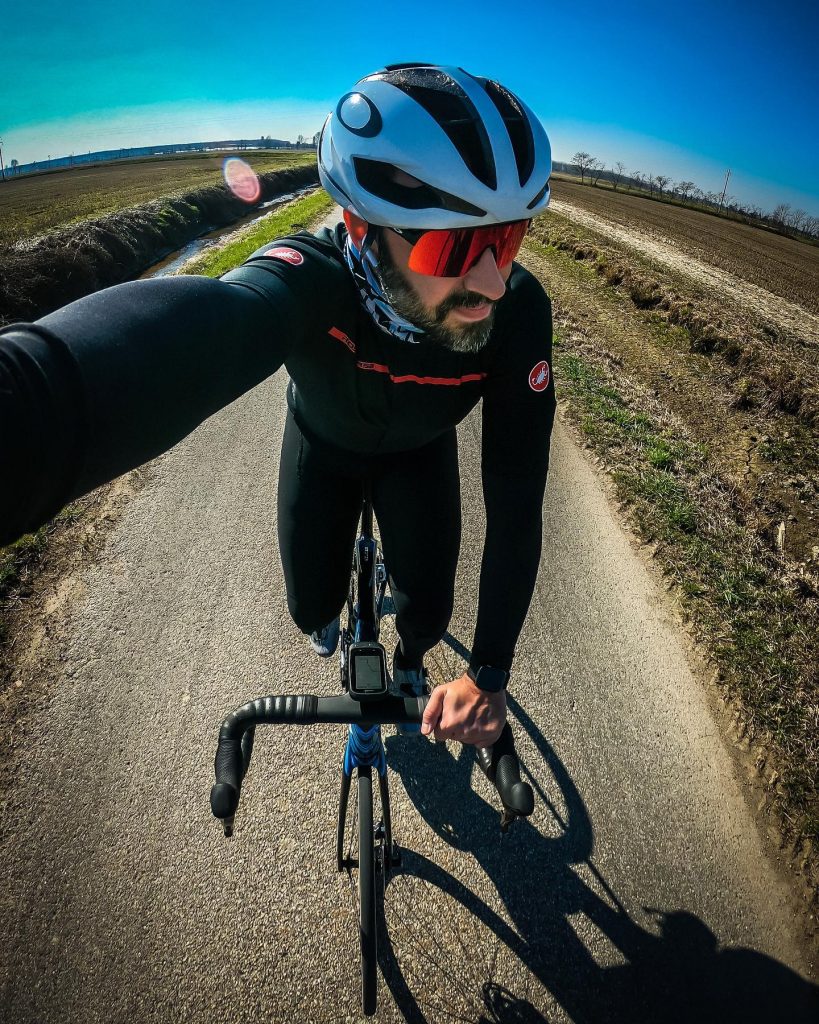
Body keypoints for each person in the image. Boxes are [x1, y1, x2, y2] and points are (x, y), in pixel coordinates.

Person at [0, 63, 556, 747]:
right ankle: (339, 614)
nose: (491, 282)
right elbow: (218, 320)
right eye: (455, 246)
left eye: (507, 239)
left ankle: (410, 661)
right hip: (323, 445)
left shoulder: (520, 313)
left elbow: (518, 492)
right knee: (311, 609)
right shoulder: (311, 280)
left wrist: (490, 673)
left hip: (419, 453)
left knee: (427, 620)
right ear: (359, 224)